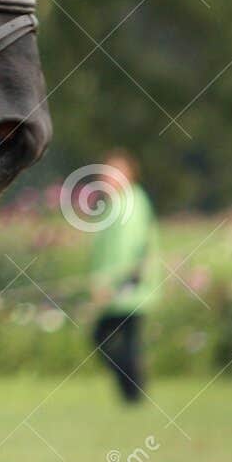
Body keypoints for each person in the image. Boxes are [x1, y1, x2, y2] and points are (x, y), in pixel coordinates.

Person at [87, 151, 160, 405]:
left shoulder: (132, 202)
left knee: (111, 339)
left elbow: (129, 248)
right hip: (117, 288)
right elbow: (104, 249)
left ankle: (133, 392)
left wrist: (113, 284)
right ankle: (132, 391)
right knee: (114, 340)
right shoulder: (115, 203)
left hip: (129, 288)